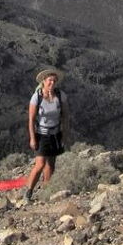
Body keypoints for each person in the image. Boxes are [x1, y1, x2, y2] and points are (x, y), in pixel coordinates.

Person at [24, 67, 70, 201]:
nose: (52, 83)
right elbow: (31, 119)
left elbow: (65, 117)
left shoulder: (60, 95)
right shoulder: (37, 97)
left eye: (54, 80)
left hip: (56, 134)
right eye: (50, 80)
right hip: (41, 134)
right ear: (44, 81)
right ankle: (28, 192)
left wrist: (65, 135)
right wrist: (32, 138)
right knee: (40, 164)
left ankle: (46, 191)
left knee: (51, 164)